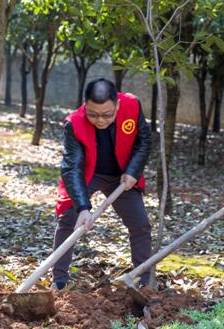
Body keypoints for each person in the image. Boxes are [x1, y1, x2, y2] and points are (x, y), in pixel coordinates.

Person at [52, 78, 152, 290]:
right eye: (93, 114)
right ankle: (59, 281)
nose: (100, 120)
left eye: (107, 114)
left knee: (140, 224)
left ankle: (144, 280)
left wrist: (133, 170)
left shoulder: (132, 106)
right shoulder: (74, 124)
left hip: (123, 175)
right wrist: (83, 207)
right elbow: (72, 168)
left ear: (117, 104)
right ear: (85, 104)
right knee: (69, 219)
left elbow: (143, 141)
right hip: (90, 173)